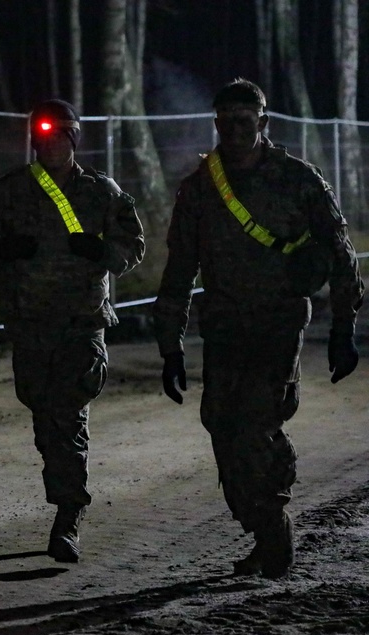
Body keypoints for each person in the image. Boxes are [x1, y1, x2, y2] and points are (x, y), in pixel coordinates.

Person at [153, 78, 364, 579]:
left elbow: (340, 255)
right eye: (224, 121)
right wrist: (170, 346)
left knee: (252, 430)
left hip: (277, 329)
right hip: (224, 331)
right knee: (222, 432)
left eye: (244, 120)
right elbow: (180, 269)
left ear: (263, 123)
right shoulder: (200, 188)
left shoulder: (298, 180)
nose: (233, 130)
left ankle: (274, 526)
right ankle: (262, 524)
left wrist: (343, 329)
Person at [0, 99, 145, 563]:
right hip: (30, 325)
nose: (52, 144)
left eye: (61, 136)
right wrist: (2, 251)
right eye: (43, 137)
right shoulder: (9, 191)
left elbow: (132, 245)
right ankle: (65, 497)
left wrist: (101, 251)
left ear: (74, 139)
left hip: (81, 326)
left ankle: (68, 517)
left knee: (66, 416)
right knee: (46, 421)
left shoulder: (100, 192)